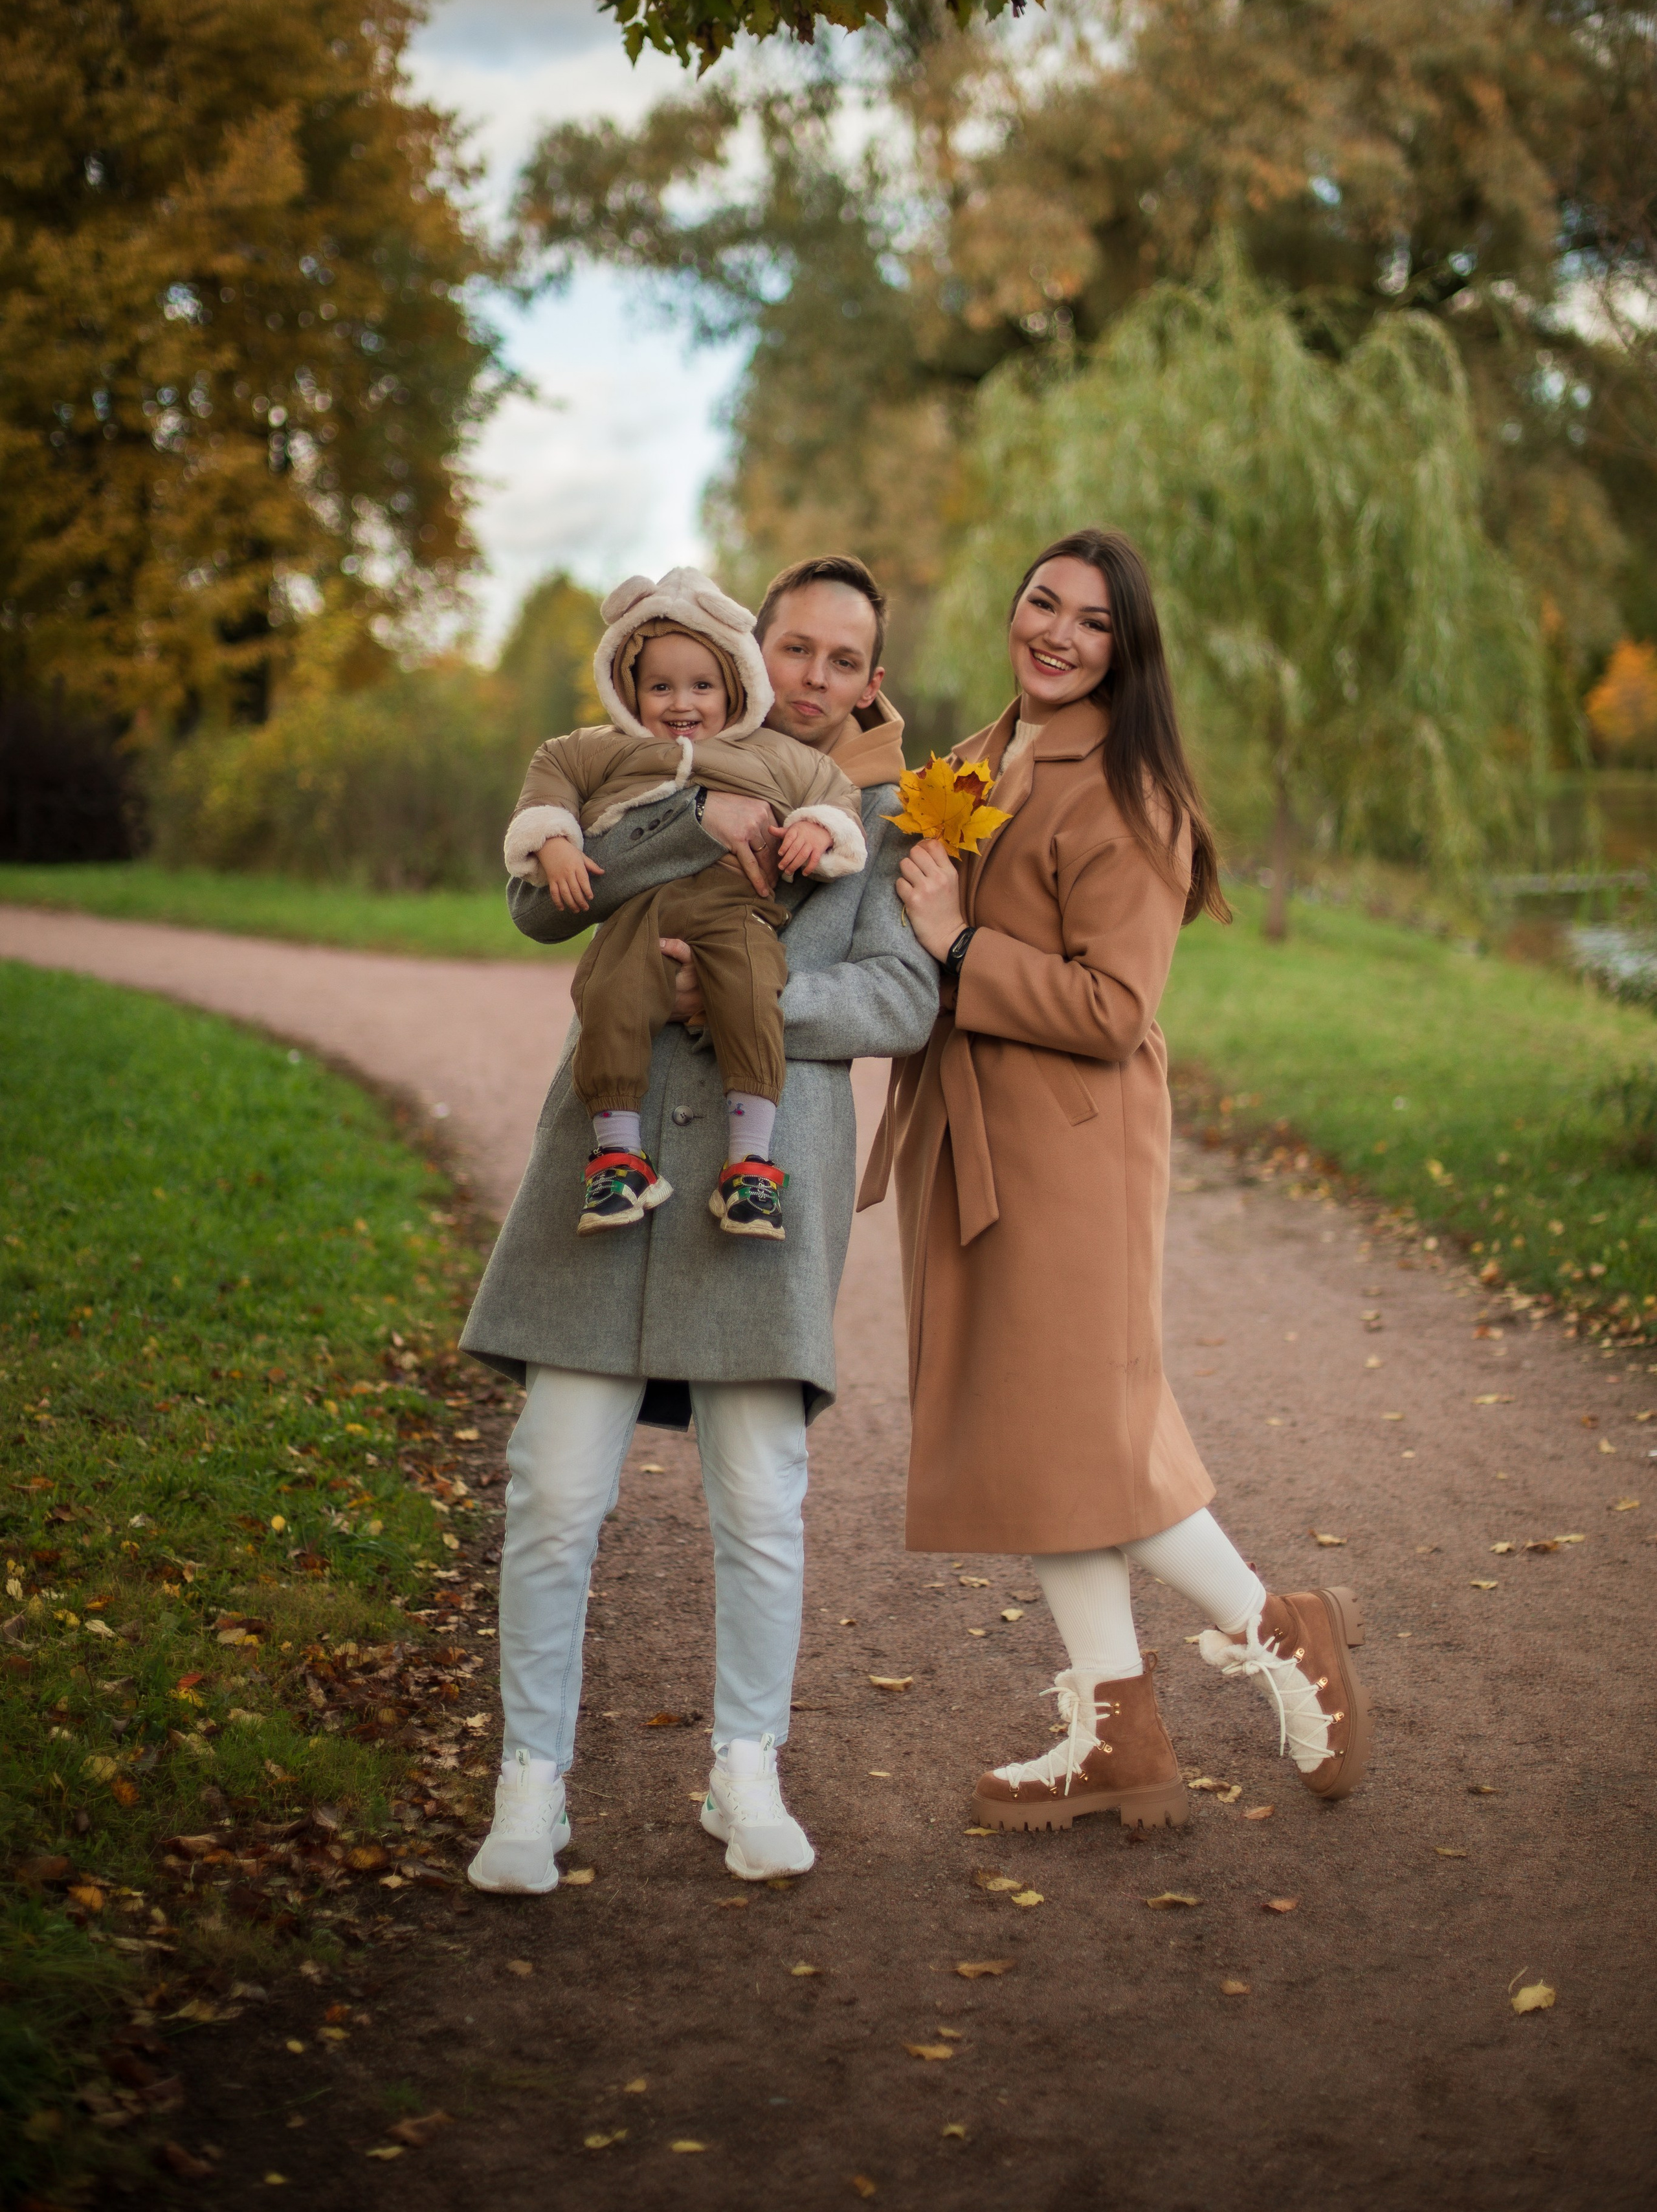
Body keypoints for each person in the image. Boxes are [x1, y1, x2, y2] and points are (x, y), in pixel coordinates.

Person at [863, 526, 1371, 1831]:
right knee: (1042, 1448)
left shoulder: (1128, 794)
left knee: (1081, 1437)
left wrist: (957, 942)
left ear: (1122, 651)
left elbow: (1109, 1007)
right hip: (971, 1142)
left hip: (1068, 1153)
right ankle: (1118, 1729)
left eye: (1088, 622)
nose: (1054, 632)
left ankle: (1279, 1630)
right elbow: (894, 819)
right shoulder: (978, 757)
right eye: (1040, 601)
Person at [461, 555, 939, 1892]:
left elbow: (903, 1000)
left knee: (759, 1498)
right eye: (796, 649)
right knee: (554, 1486)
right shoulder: (640, 755)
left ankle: (746, 1768)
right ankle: (529, 1786)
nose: (815, 680)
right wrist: (690, 818)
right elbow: (526, 905)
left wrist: (743, 1011)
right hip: (598, 1176)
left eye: (845, 662)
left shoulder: (881, 816)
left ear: (868, 681)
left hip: (759, 1177)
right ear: (751, 647)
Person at [502, 566, 867, 1241]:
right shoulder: (605, 750)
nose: (681, 703)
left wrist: (819, 828)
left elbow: (832, 792)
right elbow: (551, 778)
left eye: (702, 686)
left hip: (735, 910)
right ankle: (615, 1154)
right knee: (607, 988)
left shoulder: (776, 756)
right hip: (640, 914)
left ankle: (751, 1164)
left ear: (734, 684)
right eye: (659, 687)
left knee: (753, 984)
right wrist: (553, 838)